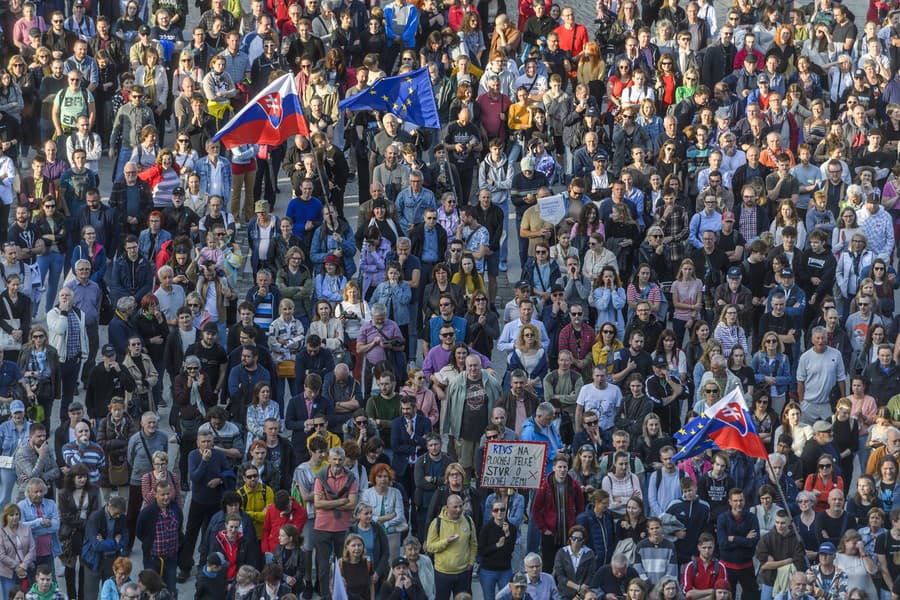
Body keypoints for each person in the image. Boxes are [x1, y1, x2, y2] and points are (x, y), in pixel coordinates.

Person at [312, 446, 359, 600]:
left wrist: (329, 502)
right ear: (329, 459)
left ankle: (344, 593)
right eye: (334, 459)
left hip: (343, 526)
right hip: (322, 526)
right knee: (323, 565)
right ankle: (325, 595)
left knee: (344, 563)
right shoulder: (320, 477)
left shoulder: (351, 477)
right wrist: (340, 501)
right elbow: (317, 504)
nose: (338, 462)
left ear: (344, 460)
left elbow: (352, 504)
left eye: (340, 459)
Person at [426, 493, 478, 600]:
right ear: (447, 507)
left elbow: (473, 544)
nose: (459, 509)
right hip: (443, 573)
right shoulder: (437, 523)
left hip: (463, 573)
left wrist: (471, 562)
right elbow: (430, 547)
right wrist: (446, 542)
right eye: (455, 507)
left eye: (461, 506)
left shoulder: (468, 521)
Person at [135, 480, 183, 593]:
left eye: (168, 493)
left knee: (170, 590)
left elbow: (179, 527)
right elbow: (139, 532)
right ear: (156, 495)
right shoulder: (147, 512)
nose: (166, 497)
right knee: (151, 591)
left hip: (171, 558)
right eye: (162, 494)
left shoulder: (176, 509)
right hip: (152, 559)